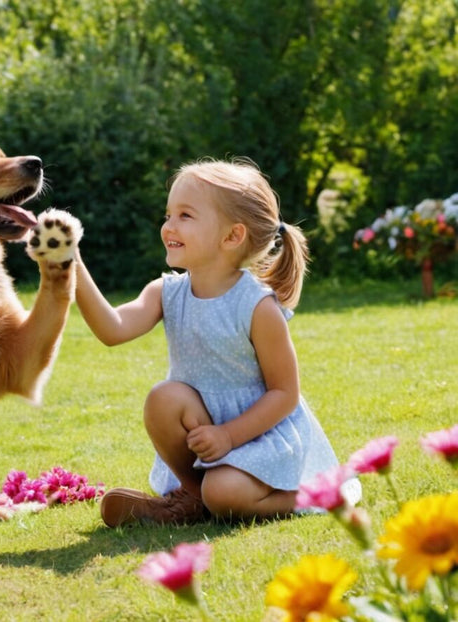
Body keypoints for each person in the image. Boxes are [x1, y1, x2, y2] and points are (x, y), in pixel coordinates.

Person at [74, 158, 354, 527]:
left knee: (225, 494)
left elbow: (284, 393)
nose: (168, 226)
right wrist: (69, 264)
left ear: (232, 236)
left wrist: (229, 435)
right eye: (168, 214)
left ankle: (313, 495)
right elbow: (113, 330)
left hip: (257, 435)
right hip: (202, 433)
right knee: (164, 397)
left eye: (185, 215)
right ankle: (192, 495)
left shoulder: (256, 306)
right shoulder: (167, 293)